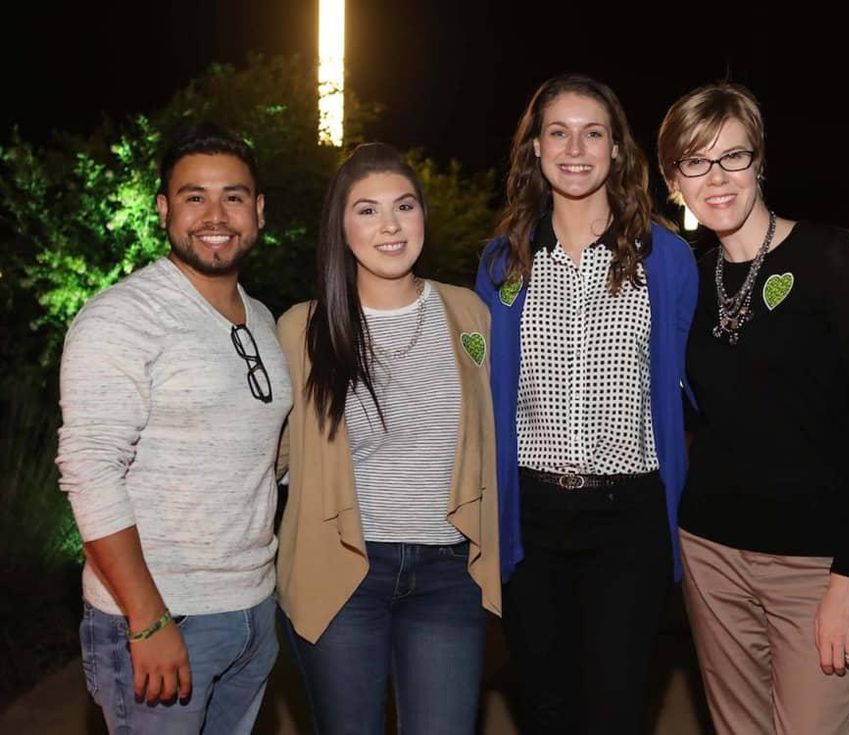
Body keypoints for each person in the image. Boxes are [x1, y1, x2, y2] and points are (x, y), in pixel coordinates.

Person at [656, 82, 849, 734]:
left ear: (760, 161)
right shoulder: (690, 281)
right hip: (712, 558)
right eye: (695, 161)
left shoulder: (830, 258)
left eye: (733, 156)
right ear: (673, 180)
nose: (717, 178)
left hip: (820, 567)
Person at [476, 74, 698, 734]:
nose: (576, 148)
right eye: (558, 131)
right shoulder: (500, 264)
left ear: (617, 149)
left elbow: (698, 387)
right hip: (531, 517)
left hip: (627, 519)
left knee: (614, 711)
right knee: (544, 708)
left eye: (592, 132)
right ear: (536, 149)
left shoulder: (666, 258)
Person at [56, 122, 292, 733]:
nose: (216, 215)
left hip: (251, 613)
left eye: (233, 196)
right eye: (194, 197)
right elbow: (89, 470)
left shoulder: (262, 319)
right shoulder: (123, 317)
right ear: (164, 210)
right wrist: (148, 617)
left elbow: (266, 455)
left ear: (258, 211)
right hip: (164, 621)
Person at [275, 142, 501, 735]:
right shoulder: (304, 328)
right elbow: (268, 456)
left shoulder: (470, 315)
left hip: (449, 574)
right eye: (368, 210)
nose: (391, 226)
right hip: (343, 571)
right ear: (341, 226)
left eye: (404, 206)